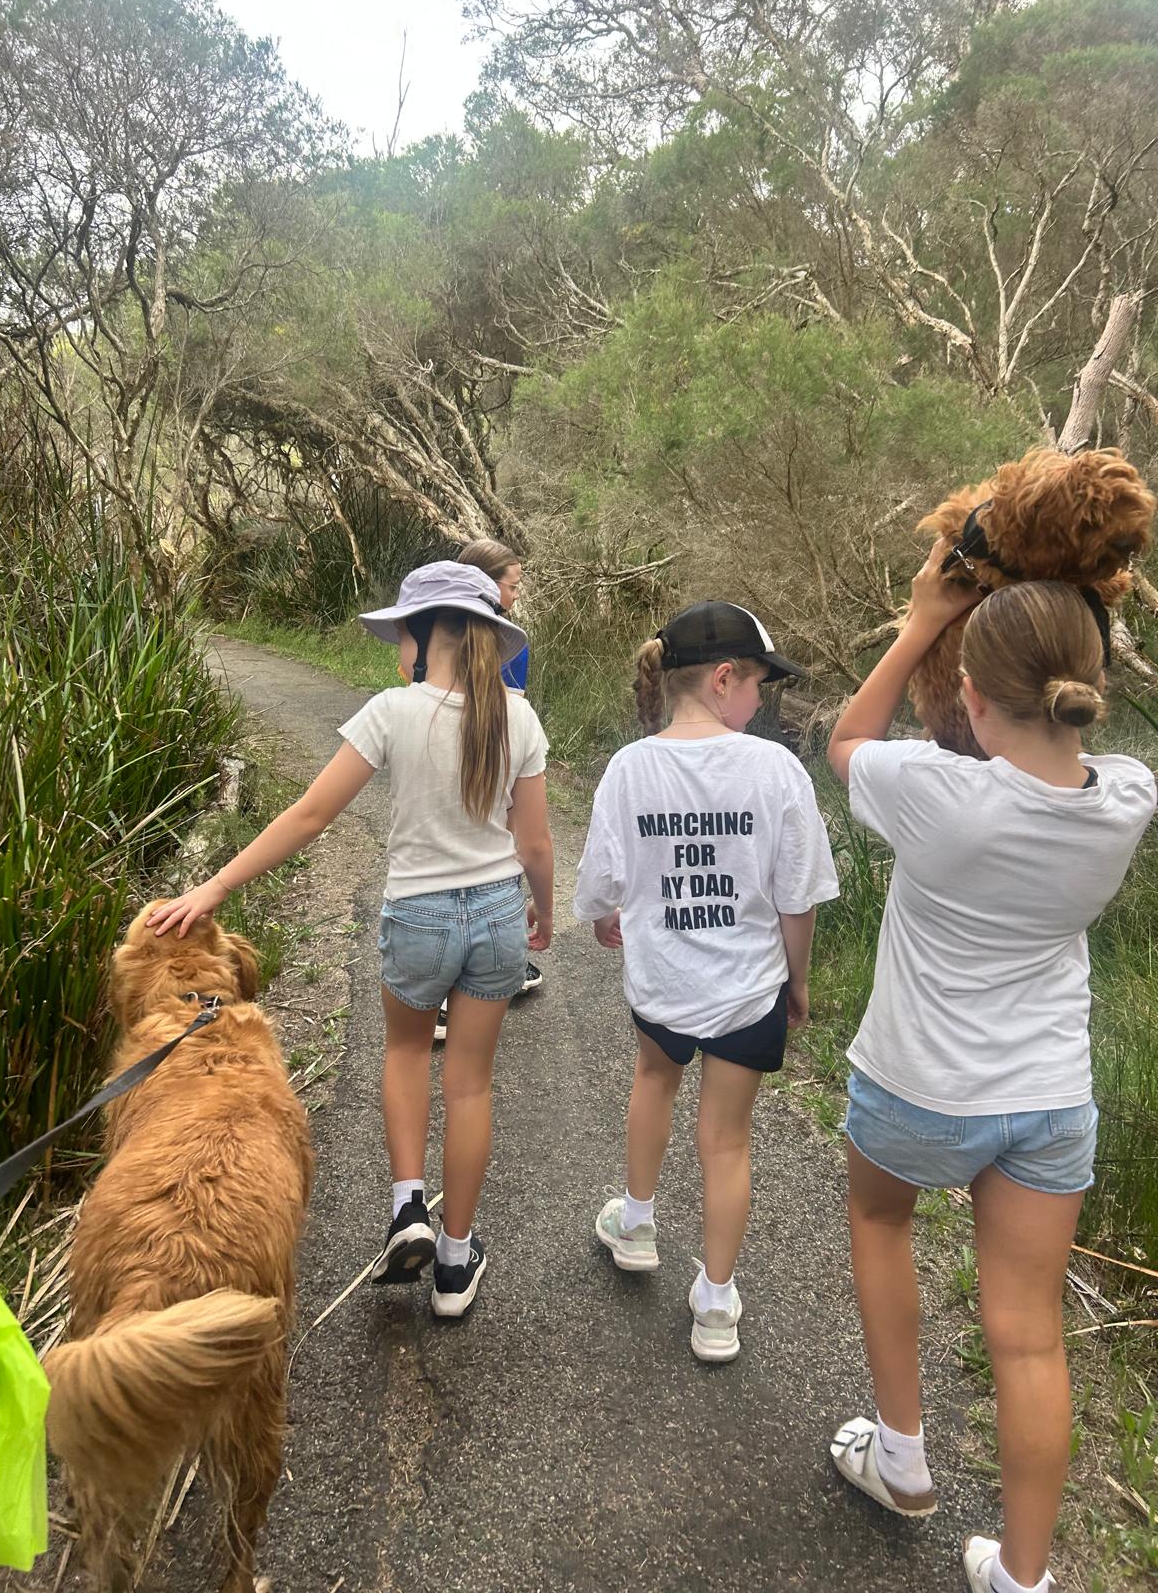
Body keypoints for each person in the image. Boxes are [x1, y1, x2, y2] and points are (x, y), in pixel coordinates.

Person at [825, 544, 1156, 1593]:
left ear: (969, 694)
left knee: (880, 1221)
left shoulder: (936, 793)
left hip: (916, 1084)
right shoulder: (1129, 795)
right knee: (1029, 1340)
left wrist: (922, 620)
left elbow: (844, 740)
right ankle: (1022, 1575)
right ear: (1089, 683)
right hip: (1048, 1100)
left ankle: (903, 1458)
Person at [147, 562, 555, 1320]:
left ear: (425, 638)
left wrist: (215, 888)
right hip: (499, 914)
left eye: (400, 635)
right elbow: (534, 844)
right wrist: (545, 912)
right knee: (470, 1084)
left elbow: (310, 816)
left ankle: (409, 1210)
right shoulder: (518, 716)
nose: (397, 650)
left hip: (419, 918)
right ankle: (455, 1264)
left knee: (406, 1053)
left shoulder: (391, 712)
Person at [574, 600, 838, 1361]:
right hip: (749, 990)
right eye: (758, 684)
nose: (761, 700)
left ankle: (636, 1224)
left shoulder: (631, 768)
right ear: (724, 679)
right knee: (727, 1140)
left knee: (653, 1081)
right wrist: (796, 981)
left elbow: (601, 884)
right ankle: (716, 1304)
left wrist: (606, 918)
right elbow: (797, 897)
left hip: (664, 981)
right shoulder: (776, 769)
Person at [423, 537, 540, 1046]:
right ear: (486, 587)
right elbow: (505, 716)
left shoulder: (430, 635)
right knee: (495, 859)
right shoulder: (509, 644)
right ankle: (489, 969)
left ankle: (444, 993)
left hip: (435, 778)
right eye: (512, 585)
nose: (516, 595)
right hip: (492, 772)